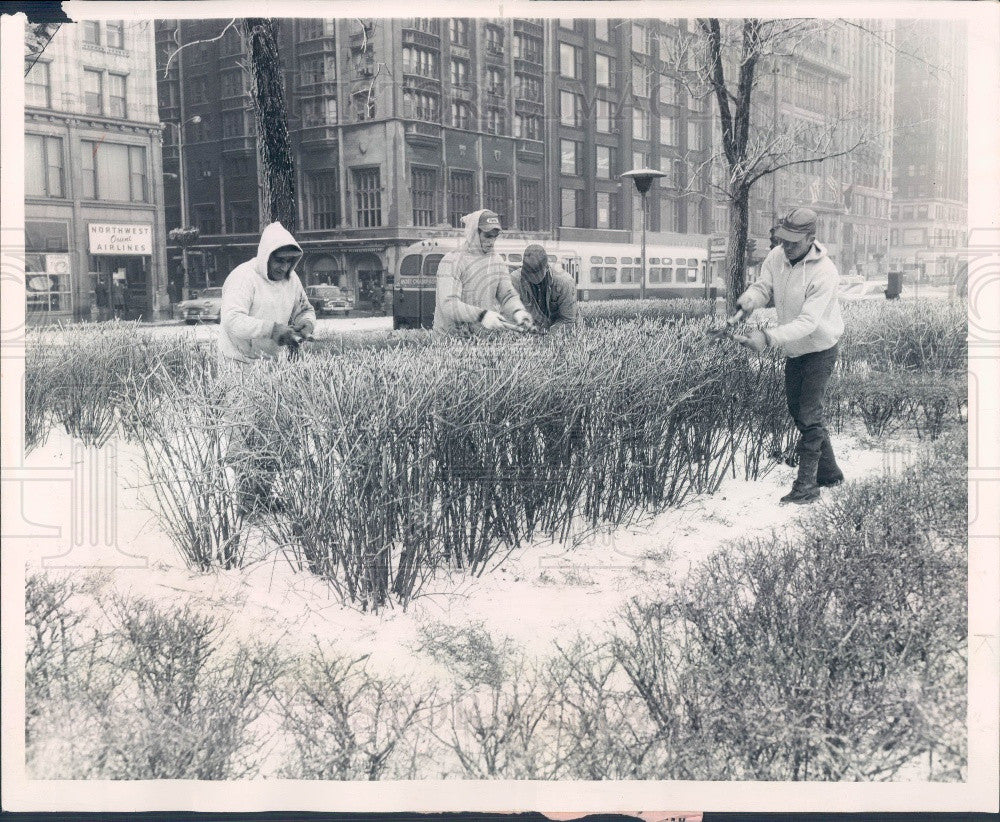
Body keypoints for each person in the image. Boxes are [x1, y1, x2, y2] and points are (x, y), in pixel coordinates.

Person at [732, 207, 845, 505]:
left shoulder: (824, 273)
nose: (787, 246)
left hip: (820, 349)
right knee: (800, 412)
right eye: (783, 240)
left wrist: (767, 337)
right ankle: (830, 473)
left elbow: (808, 323)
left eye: (794, 242)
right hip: (794, 349)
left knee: (809, 415)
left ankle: (807, 487)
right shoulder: (776, 256)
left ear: (811, 238)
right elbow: (763, 286)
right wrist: (749, 302)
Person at [219, 221, 316, 364]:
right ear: (266, 256)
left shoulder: (292, 279)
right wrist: (271, 329)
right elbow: (232, 320)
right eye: (279, 260)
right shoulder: (243, 277)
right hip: (238, 362)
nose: (284, 267)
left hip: (273, 361)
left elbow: (305, 309)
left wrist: (306, 323)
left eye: (289, 261)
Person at [432, 209, 533, 335]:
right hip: (451, 338)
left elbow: (507, 295)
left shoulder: (497, 261)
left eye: (495, 237)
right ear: (474, 233)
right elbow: (449, 304)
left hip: (481, 337)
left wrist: (518, 311)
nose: (492, 242)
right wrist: (482, 315)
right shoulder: (451, 261)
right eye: (487, 236)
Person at [510, 244, 579, 332]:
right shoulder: (515, 280)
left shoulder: (565, 282)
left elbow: (568, 320)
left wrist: (548, 335)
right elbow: (511, 315)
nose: (529, 277)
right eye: (526, 272)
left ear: (546, 267)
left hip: (558, 333)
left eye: (535, 273)